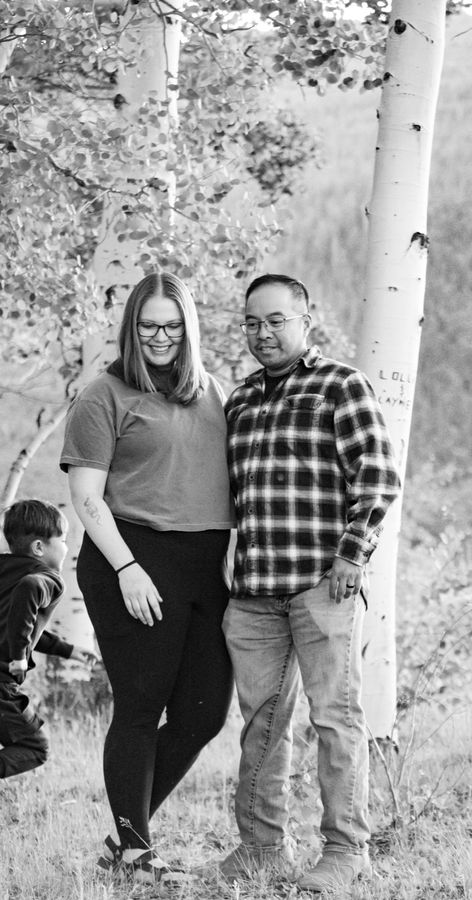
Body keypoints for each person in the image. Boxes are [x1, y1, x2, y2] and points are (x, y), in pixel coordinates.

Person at [220, 274, 401, 892]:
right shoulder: (239, 400)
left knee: (334, 718)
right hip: (252, 593)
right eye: (252, 323)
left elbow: (377, 476)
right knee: (260, 724)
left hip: (323, 586)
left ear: (305, 319)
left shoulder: (340, 385)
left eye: (275, 320)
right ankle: (262, 848)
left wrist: (353, 555)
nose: (263, 333)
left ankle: (347, 850)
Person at [60, 272, 234, 883]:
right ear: (131, 328)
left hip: (206, 568)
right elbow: (86, 497)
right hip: (130, 559)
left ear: (189, 328)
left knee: (204, 713)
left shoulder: (214, 392)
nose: (160, 337)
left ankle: (125, 835)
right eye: (148, 325)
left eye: (172, 325)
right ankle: (135, 853)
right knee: (140, 705)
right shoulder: (103, 395)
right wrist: (127, 567)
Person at [0, 498, 94, 834]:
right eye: (62, 541)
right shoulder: (44, 578)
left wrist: (69, 651)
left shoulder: (7, 575)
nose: (65, 548)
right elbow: (28, 597)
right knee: (35, 747)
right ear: (39, 547)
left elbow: (23, 622)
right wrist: (19, 655)